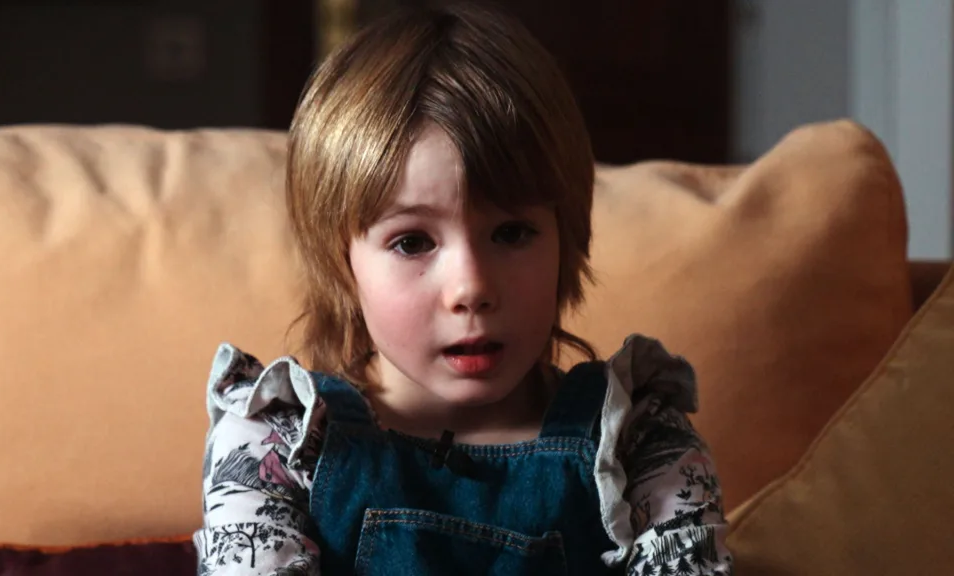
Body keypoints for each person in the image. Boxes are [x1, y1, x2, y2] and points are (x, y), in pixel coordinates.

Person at [194, 3, 731, 575]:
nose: (471, 288)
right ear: (341, 261)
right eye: (412, 242)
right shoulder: (276, 444)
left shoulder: (640, 441)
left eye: (511, 233)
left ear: (566, 239)